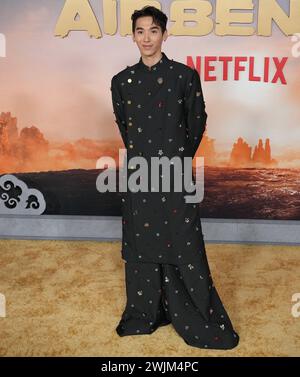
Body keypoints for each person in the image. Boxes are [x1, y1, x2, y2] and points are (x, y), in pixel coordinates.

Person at [110, 5, 239, 350]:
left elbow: (196, 122)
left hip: (175, 174)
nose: (147, 38)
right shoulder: (121, 82)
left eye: (153, 31)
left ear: (164, 35)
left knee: (184, 241)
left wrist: (176, 160)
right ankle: (146, 310)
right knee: (143, 240)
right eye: (140, 31)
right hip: (140, 176)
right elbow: (126, 128)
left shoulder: (184, 77)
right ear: (133, 36)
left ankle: (192, 311)